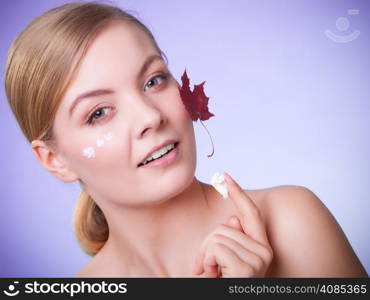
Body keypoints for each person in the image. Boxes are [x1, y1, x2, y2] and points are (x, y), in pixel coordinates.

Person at [4, 1, 368, 278]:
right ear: (55, 160)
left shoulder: (291, 222)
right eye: (98, 112)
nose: (151, 116)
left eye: (154, 81)